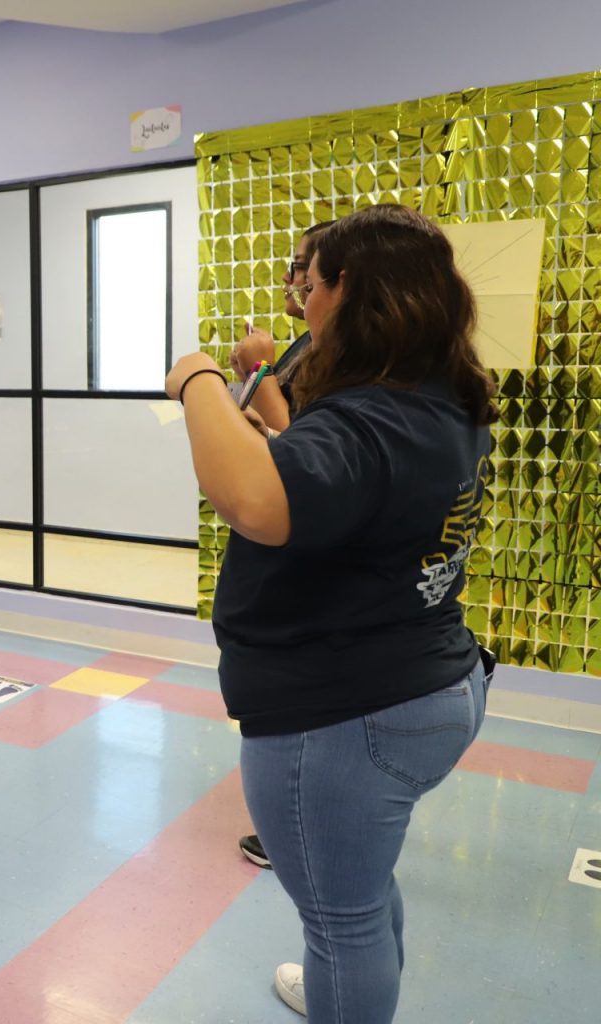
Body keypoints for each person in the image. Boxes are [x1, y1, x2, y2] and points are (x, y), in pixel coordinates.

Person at [163, 204, 495, 1022]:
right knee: (361, 892)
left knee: (342, 923)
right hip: (429, 680)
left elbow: (253, 499)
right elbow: (346, 480)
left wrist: (197, 380)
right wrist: (276, 420)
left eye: (310, 284)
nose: (301, 301)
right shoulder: (436, 398)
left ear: (348, 289)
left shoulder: (370, 417)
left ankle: (345, 997)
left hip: (346, 713)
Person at [229, 220, 331, 871]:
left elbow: (305, 455)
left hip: (312, 562)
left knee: (312, 705)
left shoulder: (346, 360)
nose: (293, 280)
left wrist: (260, 371)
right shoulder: (311, 341)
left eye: (305, 269)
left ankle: (300, 827)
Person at [228, 221, 334, 440]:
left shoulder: (337, 350)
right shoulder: (309, 341)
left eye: (298, 267)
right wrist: (248, 374)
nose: (286, 277)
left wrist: (260, 369)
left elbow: (294, 444)